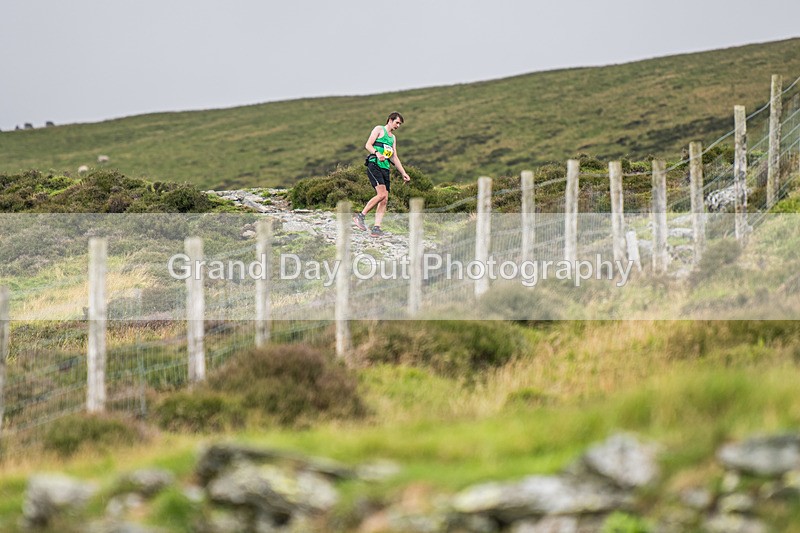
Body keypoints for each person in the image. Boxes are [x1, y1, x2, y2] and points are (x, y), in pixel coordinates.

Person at [353, 112, 411, 236]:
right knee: (381, 195)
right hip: (374, 165)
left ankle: (376, 228)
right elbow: (368, 144)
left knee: (384, 199)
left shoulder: (393, 138)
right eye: (397, 122)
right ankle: (360, 217)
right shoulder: (379, 129)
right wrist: (377, 153)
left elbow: (394, 157)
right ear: (390, 120)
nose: (398, 126)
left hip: (385, 168)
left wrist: (403, 173)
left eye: (400, 124)